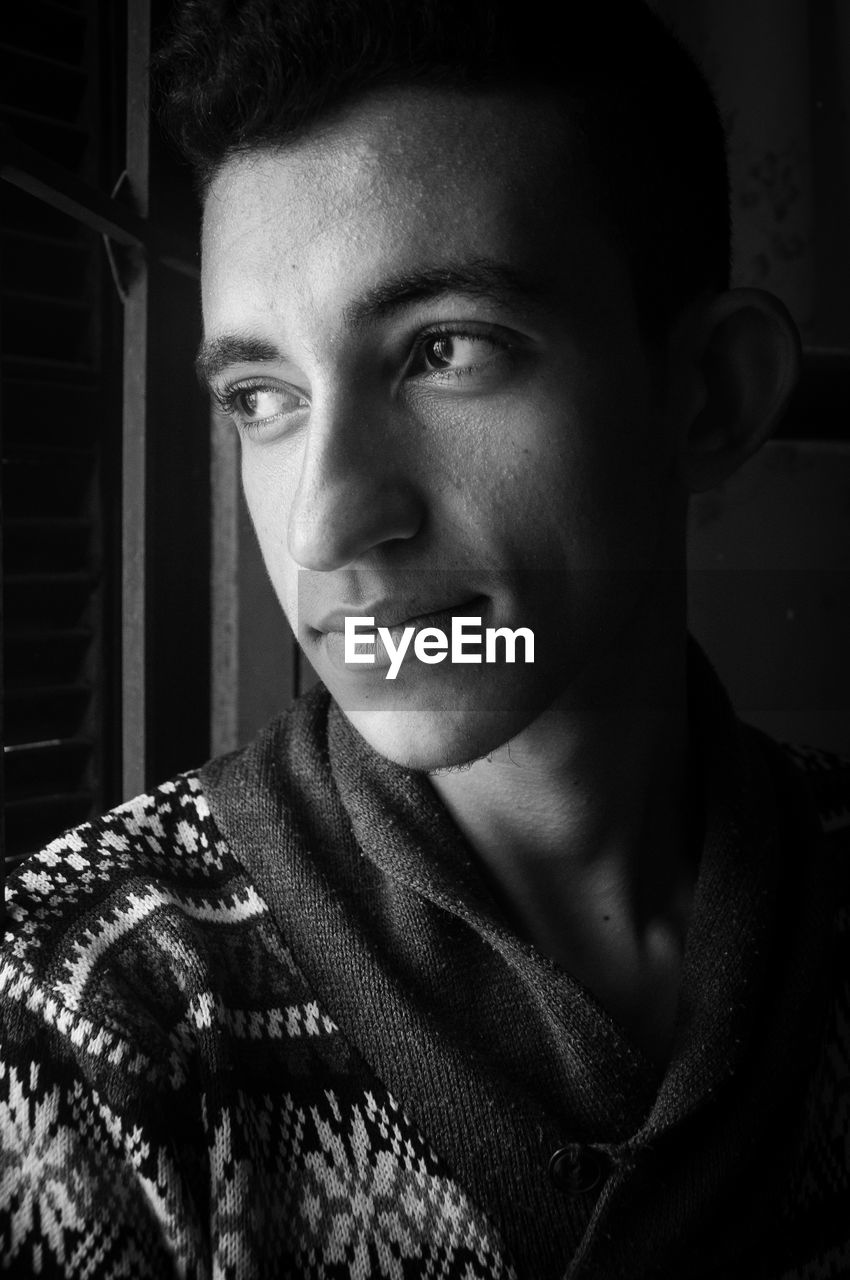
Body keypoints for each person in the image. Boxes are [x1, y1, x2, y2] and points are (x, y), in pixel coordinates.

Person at [1, 1, 848, 1276]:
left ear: (709, 393)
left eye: (444, 349)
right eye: (262, 396)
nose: (327, 521)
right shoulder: (78, 1014)